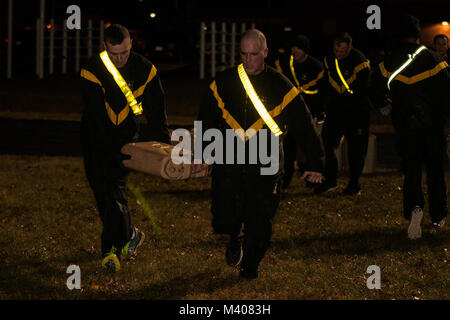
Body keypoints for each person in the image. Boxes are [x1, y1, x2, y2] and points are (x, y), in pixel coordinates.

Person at [196, 29, 325, 279]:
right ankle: (235, 237)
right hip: (229, 160)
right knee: (225, 214)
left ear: (265, 52)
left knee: (261, 218)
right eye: (243, 54)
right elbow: (206, 119)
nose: (247, 60)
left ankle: (250, 265)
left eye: (254, 54)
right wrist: (203, 152)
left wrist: (316, 162)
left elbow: (304, 124)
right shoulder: (223, 82)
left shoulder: (280, 86)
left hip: (266, 164)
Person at [80, 24, 171, 271]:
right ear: (105, 47)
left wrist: (165, 146)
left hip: (127, 140)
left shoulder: (145, 69)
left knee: (113, 192)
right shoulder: (91, 69)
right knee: (103, 194)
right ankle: (130, 233)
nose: (120, 59)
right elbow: (97, 115)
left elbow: (155, 109)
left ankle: (110, 251)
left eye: (124, 53)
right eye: (114, 54)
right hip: (96, 140)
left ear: (131, 44)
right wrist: (106, 147)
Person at [369, 15, 449, 239]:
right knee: (435, 172)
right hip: (432, 127)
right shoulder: (434, 59)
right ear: (418, 35)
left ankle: (415, 208)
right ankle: (437, 215)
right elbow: (446, 92)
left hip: (405, 126)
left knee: (411, 171)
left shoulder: (390, 61)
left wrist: (385, 106)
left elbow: (374, 88)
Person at [314, 32, 372, 195]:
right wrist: (322, 106)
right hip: (335, 111)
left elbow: (364, 89)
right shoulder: (329, 61)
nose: (338, 54)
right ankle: (330, 180)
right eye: (336, 50)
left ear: (350, 48)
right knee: (326, 143)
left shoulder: (360, 62)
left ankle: (354, 184)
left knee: (356, 149)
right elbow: (325, 85)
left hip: (357, 112)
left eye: (342, 51)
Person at [273, 34, 325, 188]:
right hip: (288, 115)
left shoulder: (316, 67)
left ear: (305, 50)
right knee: (286, 150)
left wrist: (319, 112)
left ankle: (311, 177)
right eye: (293, 47)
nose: (294, 50)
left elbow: (321, 93)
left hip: (308, 116)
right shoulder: (285, 64)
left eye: (298, 48)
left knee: (309, 148)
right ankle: (284, 181)